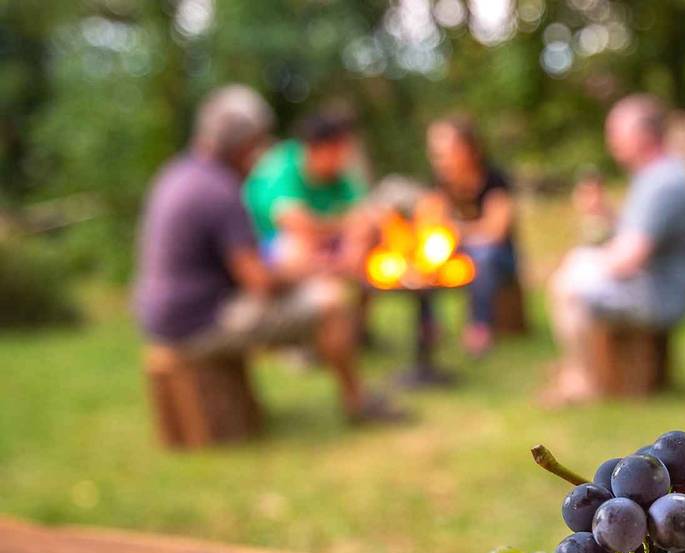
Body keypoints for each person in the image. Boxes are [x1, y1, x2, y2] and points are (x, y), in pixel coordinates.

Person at [133, 86, 399, 424]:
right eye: (258, 144)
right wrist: (312, 272)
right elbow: (260, 282)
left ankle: (311, 358)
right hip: (198, 322)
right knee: (330, 303)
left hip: (160, 317)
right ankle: (358, 404)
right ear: (244, 145)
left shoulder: (177, 173)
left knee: (310, 294)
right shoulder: (221, 190)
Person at [545, 95, 685, 404]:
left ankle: (583, 379)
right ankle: (578, 369)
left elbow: (629, 259)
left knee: (567, 287)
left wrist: (587, 265)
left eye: (616, 133)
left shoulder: (662, 183)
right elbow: (640, 233)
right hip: (660, 283)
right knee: (576, 266)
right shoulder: (657, 174)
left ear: (643, 135)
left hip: (662, 294)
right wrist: (605, 213)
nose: (611, 142)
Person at [414, 115, 519, 361]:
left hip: (498, 257)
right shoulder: (438, 184)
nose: (440, 159)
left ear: (469, 149)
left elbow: (496, 231)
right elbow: (427, 225)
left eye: (446, 151)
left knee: (483, 256)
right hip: (457, 253)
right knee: (426, 255)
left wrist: (454, 229)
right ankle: (429, 325)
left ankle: (479, 327)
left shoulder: (493, 180)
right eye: (435, 152)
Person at [242, 107, 369, 281]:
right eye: (338, 150)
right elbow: (295, 223)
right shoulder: (280, 166)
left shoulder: (340, 176)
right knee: (295, 250)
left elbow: (362, 218)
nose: (344, 157)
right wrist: (339, 225)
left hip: (323, 246)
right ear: (317, 148)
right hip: (263, 247)